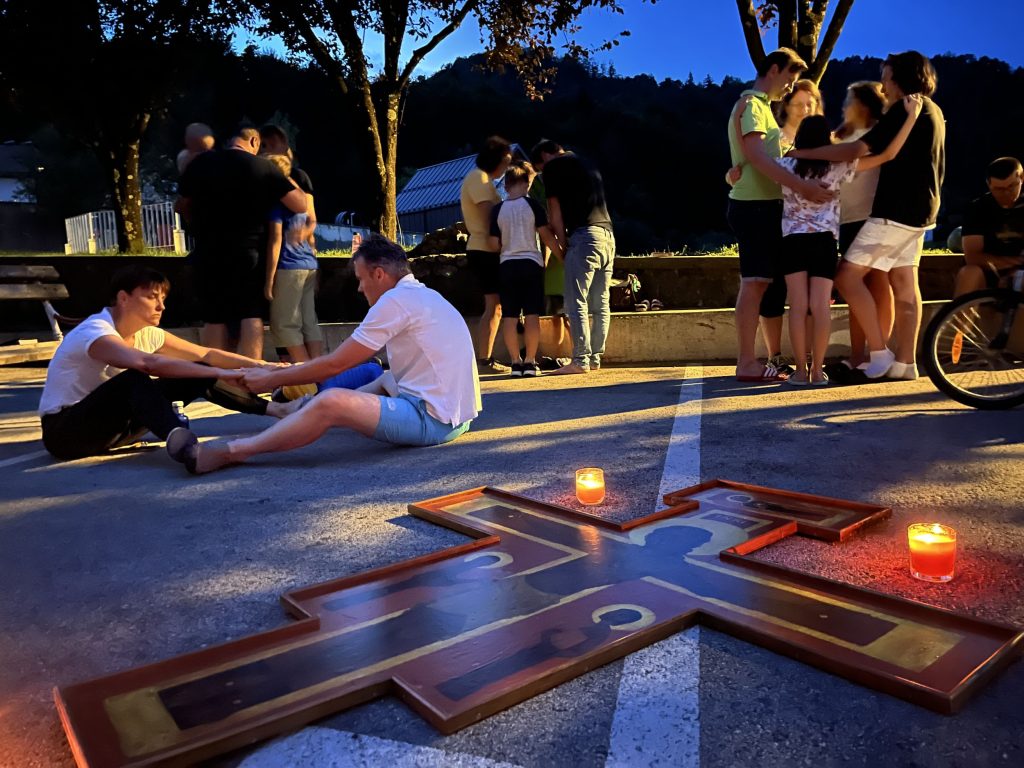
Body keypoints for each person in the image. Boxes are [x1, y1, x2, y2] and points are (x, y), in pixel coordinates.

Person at [166, 235, 481, 475]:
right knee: (383, 377)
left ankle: (233, 451)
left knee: (332, 402)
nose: (359, 289)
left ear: (379, 274)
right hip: (456, 416)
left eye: (360, 279)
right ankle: (301, 409)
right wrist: (275, 373)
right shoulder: (423, 295)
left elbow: (335, 364)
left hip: (433, 421)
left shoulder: (395, 301)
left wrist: (271, 378)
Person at [788, 51, 945, 380]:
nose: (883, 86)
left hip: (895, 211)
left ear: (901, 77)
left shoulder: (903, 108)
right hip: (924, 211)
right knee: (904, 284)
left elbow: (857, 150)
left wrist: (805, 153)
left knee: (846, 276)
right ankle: (906, 363)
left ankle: (879, 352)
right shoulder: (932, 109)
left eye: (886, 78)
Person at [37, 266, 292, 461]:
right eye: (152, 297)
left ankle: (279, 410)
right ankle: (184, 445)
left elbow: (206, 354)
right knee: (134, 377)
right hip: (66, 433)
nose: (161, 306)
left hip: (113, 430)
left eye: (163, 299)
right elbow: (147, 363)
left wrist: (262, 366)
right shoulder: (95, 332)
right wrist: (223, 373)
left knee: (198, 371)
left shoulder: (147, 333)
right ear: (124, 298)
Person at [773, 100, 920, 386]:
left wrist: (734, 173)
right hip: (824, 242)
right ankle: (818, 372)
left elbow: (753, 166)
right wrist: (911, 118)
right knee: (821, 305)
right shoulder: (837, 165)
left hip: (792, 241)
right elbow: (887, 155)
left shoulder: (785, 164)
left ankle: (800, 372)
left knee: (798, 305)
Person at [725, 48, 835, 383]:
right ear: (774, 70)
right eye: (789, 77)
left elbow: (762, 158)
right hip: (755, 207)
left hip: (762, 206)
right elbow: (758, 157)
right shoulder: (753, 106)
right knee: (754, 283)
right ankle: (747, 362)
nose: (790, 87)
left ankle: (758, 360)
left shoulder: (760, 108)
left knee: (760, 283)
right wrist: (803, 187)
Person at [176, 124, 307, 361]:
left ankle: (219, 374)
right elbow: (300, 204)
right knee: (250, 313)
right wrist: (281, 173)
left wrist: (196, 223)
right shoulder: (263, 167)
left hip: (208, 251)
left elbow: (182, 204)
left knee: (214, 316)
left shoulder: (201, 163)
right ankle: (250, 371)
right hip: (249, 252)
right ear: (254, 142)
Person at [531, 139, 615, 375]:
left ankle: (580, 360)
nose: (541, 174)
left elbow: (554, 211)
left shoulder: (553, 167)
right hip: (607, 235)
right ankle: (595, 357)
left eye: (539, 169)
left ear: (545, 156)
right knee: (600, 303)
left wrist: (563, 244)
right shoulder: (587, 161)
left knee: (575, 301)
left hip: (583, 236)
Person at [759, 79, 826, 373]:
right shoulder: (773, 137)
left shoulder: (826, 142)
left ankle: (809, 358)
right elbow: (752, 165)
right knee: (773, 289)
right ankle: (775, 356)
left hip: (812, 230)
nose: (804, 109)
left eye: (810, 103)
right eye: (798, 103)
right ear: (786, 106)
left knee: (811, 296)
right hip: (775, 218)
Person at [833, 81, 893, 371]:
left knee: (878, 283)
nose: (845, 105)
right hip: (847, 220)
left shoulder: (879, 134)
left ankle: (878, 352)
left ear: (864, 104)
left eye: (850, 99)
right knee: (854, 290)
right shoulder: (839, 136)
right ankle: (858, 355)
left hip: (874, 217)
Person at [488, 161, 563, 377]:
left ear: (507, 185)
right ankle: (530, 362)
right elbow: (546, 235)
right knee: (531, 316)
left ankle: (515, 362)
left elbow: (493, 244)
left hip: (507, 266)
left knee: (510, 317)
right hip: (531, 264)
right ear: (524, 183)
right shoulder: (533, 206)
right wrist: (561, 256)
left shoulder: (497, 210)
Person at [263, 153, 323, 364]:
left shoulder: (278, 203)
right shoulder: (300, 199)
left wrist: (269, 279)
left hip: (288, 266)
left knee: (284, 324)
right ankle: (318, 367)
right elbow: (311, 228)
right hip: (308, 264)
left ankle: (305, 369)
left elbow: (276, 240)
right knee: (308, 321)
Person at [461, 136, 513, 375]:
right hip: (484, 249)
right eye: (505, 161)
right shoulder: (479, 179)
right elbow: (489, 216)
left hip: (488, 249)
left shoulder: (483, 180)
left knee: (496, 306)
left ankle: (486, 359)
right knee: (493, 306)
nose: (507, 166)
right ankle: (484, 360)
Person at [954, 157, 1024, 296]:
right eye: (999, 189)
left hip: (1020, 272)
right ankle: (960, 310)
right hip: (988, 273)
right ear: (989, 185)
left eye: (1012, 186)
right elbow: (973, 256)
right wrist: (1016, 262)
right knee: (969, 273)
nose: (1006, 193)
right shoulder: (977, 208)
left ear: (1021, 178)